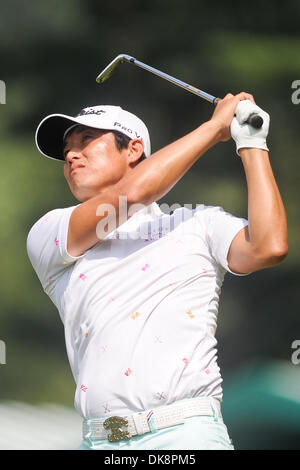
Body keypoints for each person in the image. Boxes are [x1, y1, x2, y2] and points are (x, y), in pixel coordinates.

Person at [27, 93, 288, 450]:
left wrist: (252, 143)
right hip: (99, 441)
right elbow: (133, 195)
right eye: (67, 149)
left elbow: (268, 246)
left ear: (133, 150)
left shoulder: (198, 223)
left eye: (86, 141)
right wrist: (214, 128)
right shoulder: (51, 232)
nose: (72, 154)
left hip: (185, 435)